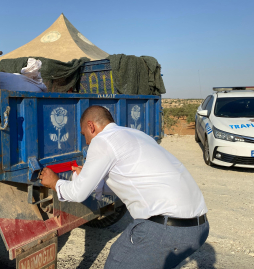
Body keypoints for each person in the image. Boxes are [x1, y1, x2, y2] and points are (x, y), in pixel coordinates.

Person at [40, 105, 209, 269]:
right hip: (197, 228)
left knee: (118, 261)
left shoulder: (102, 141)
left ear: (91, 126)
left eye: (84, 135)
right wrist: (87, 179)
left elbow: (77, 194)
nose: (86, 141)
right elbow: (128, 183)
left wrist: (55, 182)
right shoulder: (135, 134)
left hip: (166, 229)